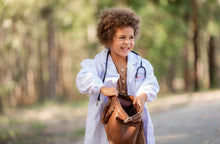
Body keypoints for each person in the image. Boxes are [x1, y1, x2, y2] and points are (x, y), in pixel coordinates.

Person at [76, 7, 159, 144]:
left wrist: (143, 95)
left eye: (131, 37)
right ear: (108, 39)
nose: (127, 42)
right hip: (109, 122)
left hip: (134, 120)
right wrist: (102, 88)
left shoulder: (141, 64)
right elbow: (84, 77)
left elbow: (151, 82)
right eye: (122, 37)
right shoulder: (99, 63)